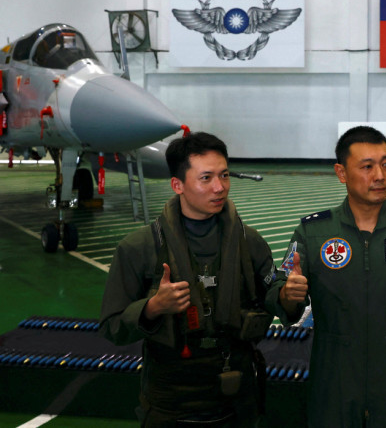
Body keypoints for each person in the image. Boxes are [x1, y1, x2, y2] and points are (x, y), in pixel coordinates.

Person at [265, 125, 386, 427]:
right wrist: (287, 295)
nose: (380, 175)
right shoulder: (313, 232)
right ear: (341, 172)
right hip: (333, 370)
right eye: (367, 166)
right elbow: (282, 287)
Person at [99, 132, 274, 427]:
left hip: (238, 398)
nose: (220, 188)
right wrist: (153, 307)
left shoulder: (249, 242)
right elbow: (112, 326)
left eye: (225, 175)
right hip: (170, 402)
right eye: (206, 178)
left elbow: (274, 295)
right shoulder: (139, 248)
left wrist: (288, 295)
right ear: (177, 185)